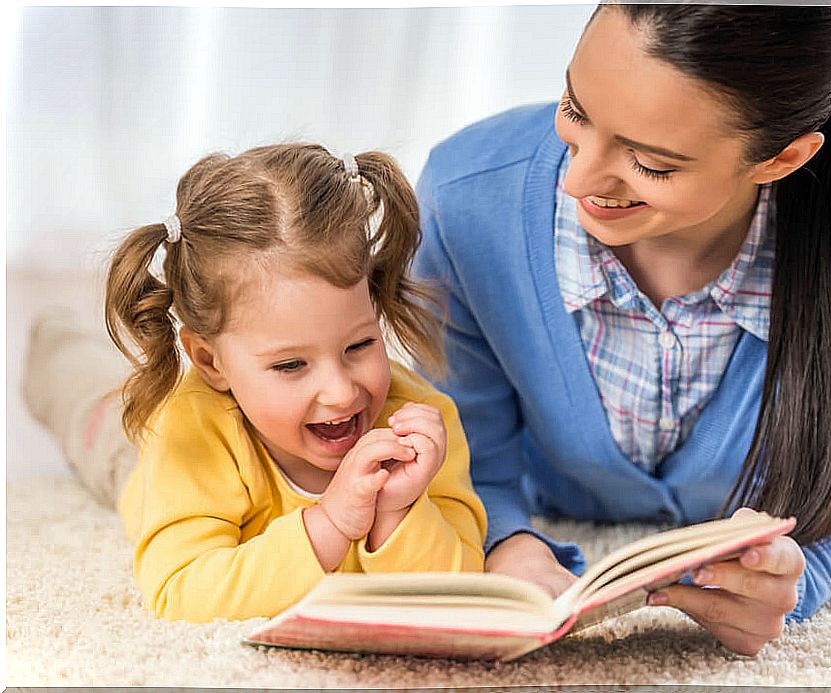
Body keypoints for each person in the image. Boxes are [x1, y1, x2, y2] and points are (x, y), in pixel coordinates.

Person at [412, 3, 831, 655]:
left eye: (651, 163)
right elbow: (463, 458)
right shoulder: (465, 198)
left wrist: (789, 583)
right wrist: (506, 544)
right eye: (575, 109)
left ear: (781, 157)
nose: (578, 179)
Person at [22, 143, 487, 623]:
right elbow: (180, 591)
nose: (342, 392)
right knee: (89, 403)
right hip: (140, 455)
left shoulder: (417, 423)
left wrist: (396, 511)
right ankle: (54, 338)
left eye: (359, 346)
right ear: (209, 360)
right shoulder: (186, 429)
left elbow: (460, 588)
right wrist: (329, 523)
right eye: (290, 366)